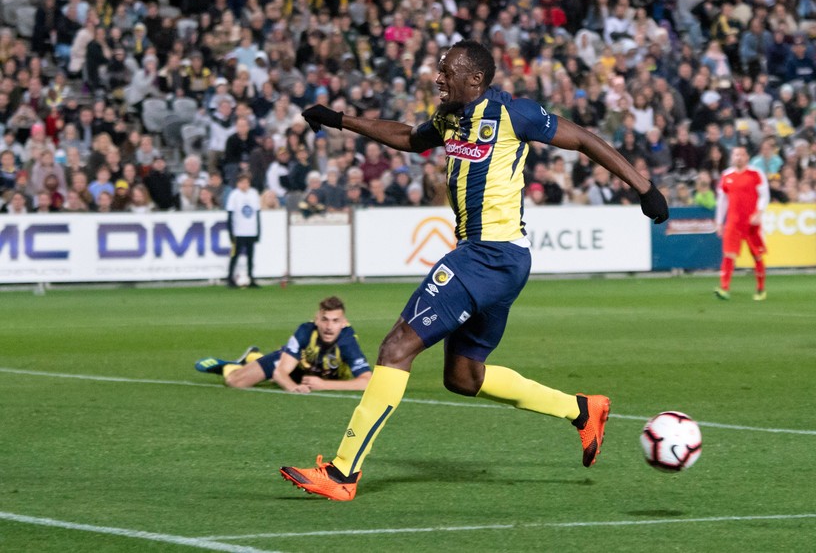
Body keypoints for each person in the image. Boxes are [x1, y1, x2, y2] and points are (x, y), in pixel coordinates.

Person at [279, 40, 669, 501]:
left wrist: (645, 188)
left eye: (446, 72)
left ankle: (343, 474)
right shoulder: (448, 118)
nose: (438, 78)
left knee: (396, 346)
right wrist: (342, 120)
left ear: (475, 79)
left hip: (489, 255)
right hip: (497, 261)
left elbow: (582, 137)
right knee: (463, 377)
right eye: (439, 70)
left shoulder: (514, 114)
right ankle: (582, 410)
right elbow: (407, 137)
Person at [194, 296, 372, 391]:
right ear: (316, 319)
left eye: (335, 321)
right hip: (295, 366)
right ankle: (231, 366)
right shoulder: (305, 331)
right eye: (324, 320)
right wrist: (293, 388)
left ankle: (254, 357)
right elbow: (281, 373)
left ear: (343, 322)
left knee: (269, 379)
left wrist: (325, 385)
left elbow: (367, 381)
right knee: (235, 382)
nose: (329, 327)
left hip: (318, 375)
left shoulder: (347, 340)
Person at [714, 146, 770, 301]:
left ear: (747, 157)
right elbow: (722, 200)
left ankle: (760, 289)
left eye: (741, 154)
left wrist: (759, 213)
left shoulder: (756, 174)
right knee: (728, 254)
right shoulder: (726, 176)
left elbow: (764, 195)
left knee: (757, 255)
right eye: (736, 154)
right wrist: (719, 222)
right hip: (733, 222)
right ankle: (724, 288)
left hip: (752, 223)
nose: (738, 157)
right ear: (732, 157)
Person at [226, 172, 261, 288]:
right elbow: (230, 214)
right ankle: (230, 278)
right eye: (242, 182)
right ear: (238, 184)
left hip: (251, 231)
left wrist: (258, 231)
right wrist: (231, 232)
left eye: (246, 182)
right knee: (234, 255)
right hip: (238, 231)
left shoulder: (254, 194)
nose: (244, 185)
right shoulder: (234, 195)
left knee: (251, 256)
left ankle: (251, 277)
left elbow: (257, 214)